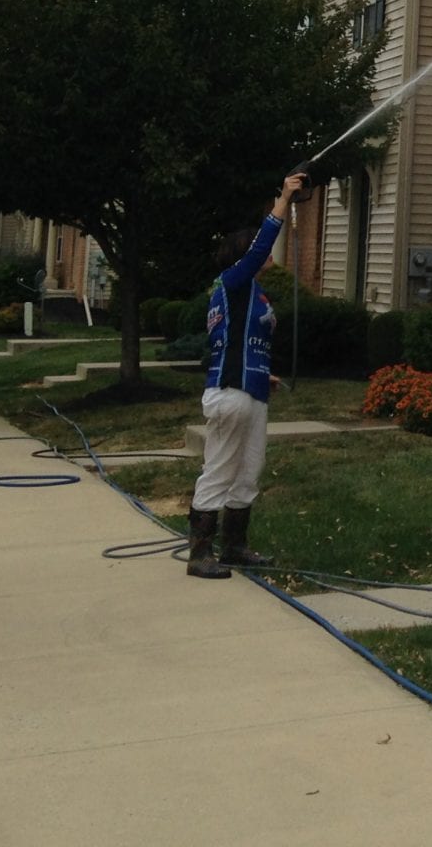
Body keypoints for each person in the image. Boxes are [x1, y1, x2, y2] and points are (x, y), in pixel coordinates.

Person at [186, 172, 306, 580]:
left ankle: (235, 547)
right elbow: (258, 249)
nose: (264, 250)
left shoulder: (253, 294)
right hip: (230, 393)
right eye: (255, 246)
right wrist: (285, 198)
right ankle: (200, 553)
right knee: (220, 469)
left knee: (249, 471)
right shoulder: (233, 282)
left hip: (251, 391)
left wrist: (263, 375)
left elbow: (241, 342)